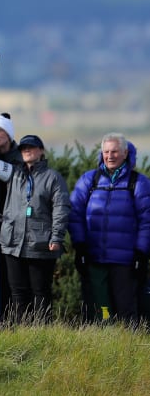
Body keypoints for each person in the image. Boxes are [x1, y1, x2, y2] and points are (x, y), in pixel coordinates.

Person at [0, 131, 69, 323]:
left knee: (40, 292)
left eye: (31, 147)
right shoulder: (13, 172)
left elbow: (61, 208)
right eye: (23, 148)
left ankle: (41, 331)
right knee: (18, 292)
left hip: (41, 245)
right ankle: (23, 331)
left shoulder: (52, 177)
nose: (27, 150)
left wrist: (56, 237)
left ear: (41, 151)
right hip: (13, 243)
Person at [68, 133, 150, 323]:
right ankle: (103, 347)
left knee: (126, 312)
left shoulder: (139, 183)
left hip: (125, 262)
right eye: (106, 152)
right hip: (95, 259)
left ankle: (129, 349)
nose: (110, 156)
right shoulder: (89, 180)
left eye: (114, 151)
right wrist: (79, 246)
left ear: (125, 153)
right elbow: (74, 214)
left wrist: (141, 253)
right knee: (101, 312)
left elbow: (147, 221)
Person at [0, 112, 22, 323]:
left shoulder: (20, 158)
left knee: (14, 280)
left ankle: (15, 320)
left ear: (9, 134)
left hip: (14, 225)